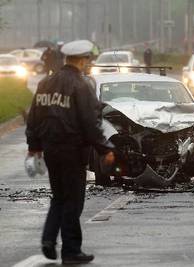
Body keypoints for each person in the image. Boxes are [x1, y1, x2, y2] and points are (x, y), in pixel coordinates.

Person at [26, 40, 115, 264]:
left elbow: (34, 117)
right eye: (87, 60)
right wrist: (105, 149)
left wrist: (34, 147)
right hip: (73, 151)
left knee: (59, 197)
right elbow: (90, 122)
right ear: (83, 60)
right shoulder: (81, 85)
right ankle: (71, 251)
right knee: (73, 201)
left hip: (50, 149)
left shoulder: (45, 83)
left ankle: (48, 239)